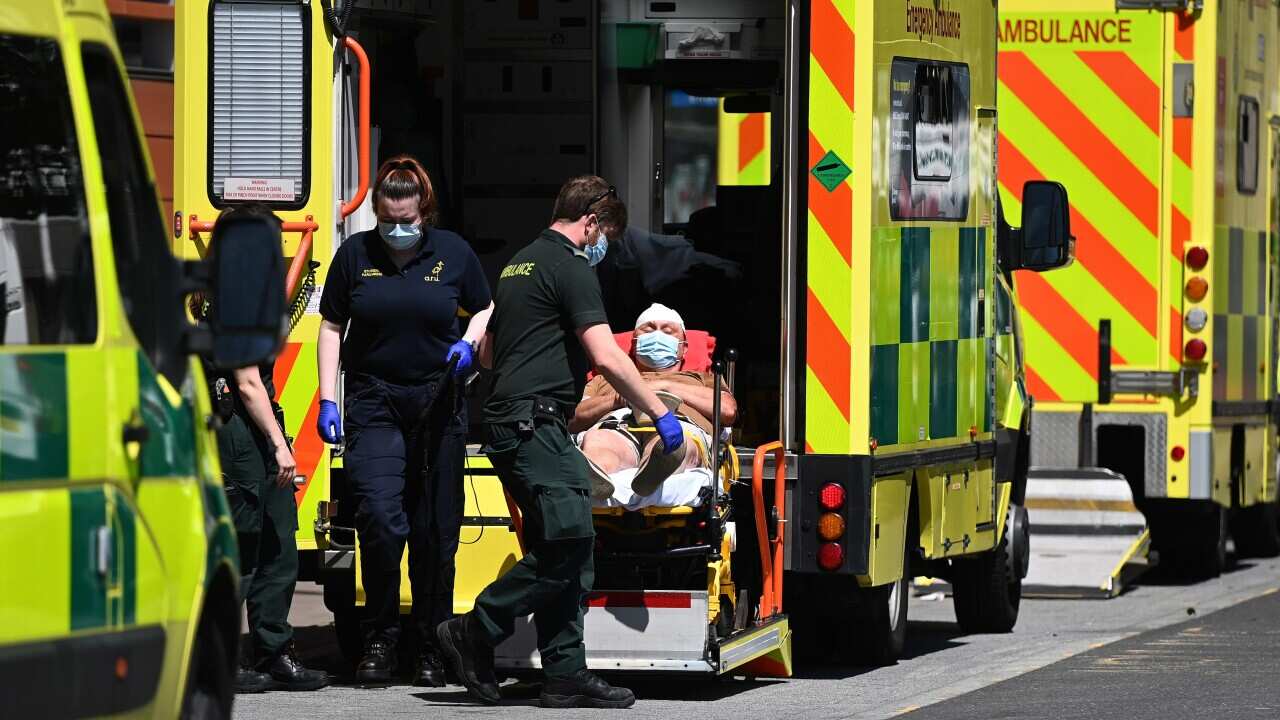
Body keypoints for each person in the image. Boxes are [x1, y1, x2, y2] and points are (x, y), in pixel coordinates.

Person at [435, 176, 684, 709]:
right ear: (590, 223)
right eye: (605, 238)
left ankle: (564, 674)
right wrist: (660, 413)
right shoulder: (570, 267)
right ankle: (476, 629)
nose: (603, 250)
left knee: (564, 546)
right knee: (570, 542)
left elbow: (488, 355)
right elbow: (609, 355)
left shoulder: (519, 263)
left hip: (515, 421)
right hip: (533, 425)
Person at [314, 155, 494, 686]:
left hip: (438, 400)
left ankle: (431, 644)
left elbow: (484, 307)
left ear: (425, 212)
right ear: (376, 211)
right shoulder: (355, 255)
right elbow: (331, 326)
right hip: (375, 400)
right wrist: (329, 399)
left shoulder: (454, 254)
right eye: (387, 218)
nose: (397, 229)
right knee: (381, 518)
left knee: (436, 529)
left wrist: (469, 342)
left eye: (407, 220)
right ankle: (380, 636)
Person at [203, 204, 328, 693]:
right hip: (240, 431)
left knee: (278, 545)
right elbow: (247, 379)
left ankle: (274, 650)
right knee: (243, 548)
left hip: (258, 427)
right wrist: (280, 446)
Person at [569, 302, 737, 500]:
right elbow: (572, 419)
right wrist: (618, 397)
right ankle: (597, 470)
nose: (657, 335)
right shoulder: (605, 379)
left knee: (674, 443)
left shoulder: (702, 379)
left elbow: (727, 411)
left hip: (679, 425)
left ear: (684, 349)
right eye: (648, 330)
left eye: (668, 331)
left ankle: (657, 467)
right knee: (600, 441)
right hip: (618, 424)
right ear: (634, 344)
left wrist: (665, 387)